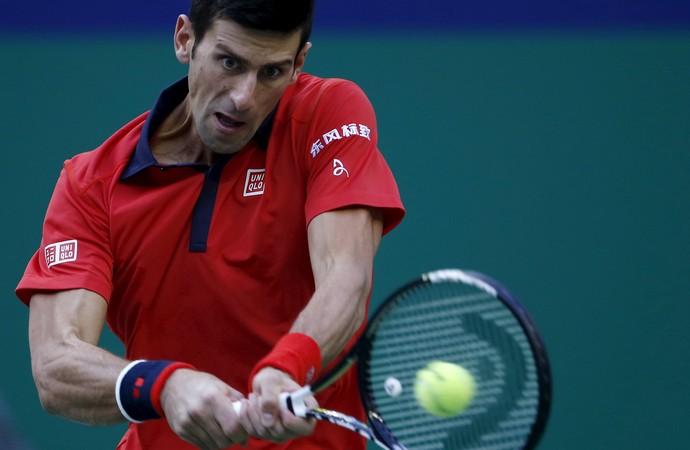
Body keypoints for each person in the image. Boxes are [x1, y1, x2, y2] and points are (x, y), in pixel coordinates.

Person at [15, 0, 404, 449]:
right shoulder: (91, 185)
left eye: (272, 72)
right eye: (229, 62)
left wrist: (286, 367)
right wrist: (163, 385)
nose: (244, 96)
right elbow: (55, 368)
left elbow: (346, 277)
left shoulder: (325, 112)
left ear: (299, 63)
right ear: (184, 40)